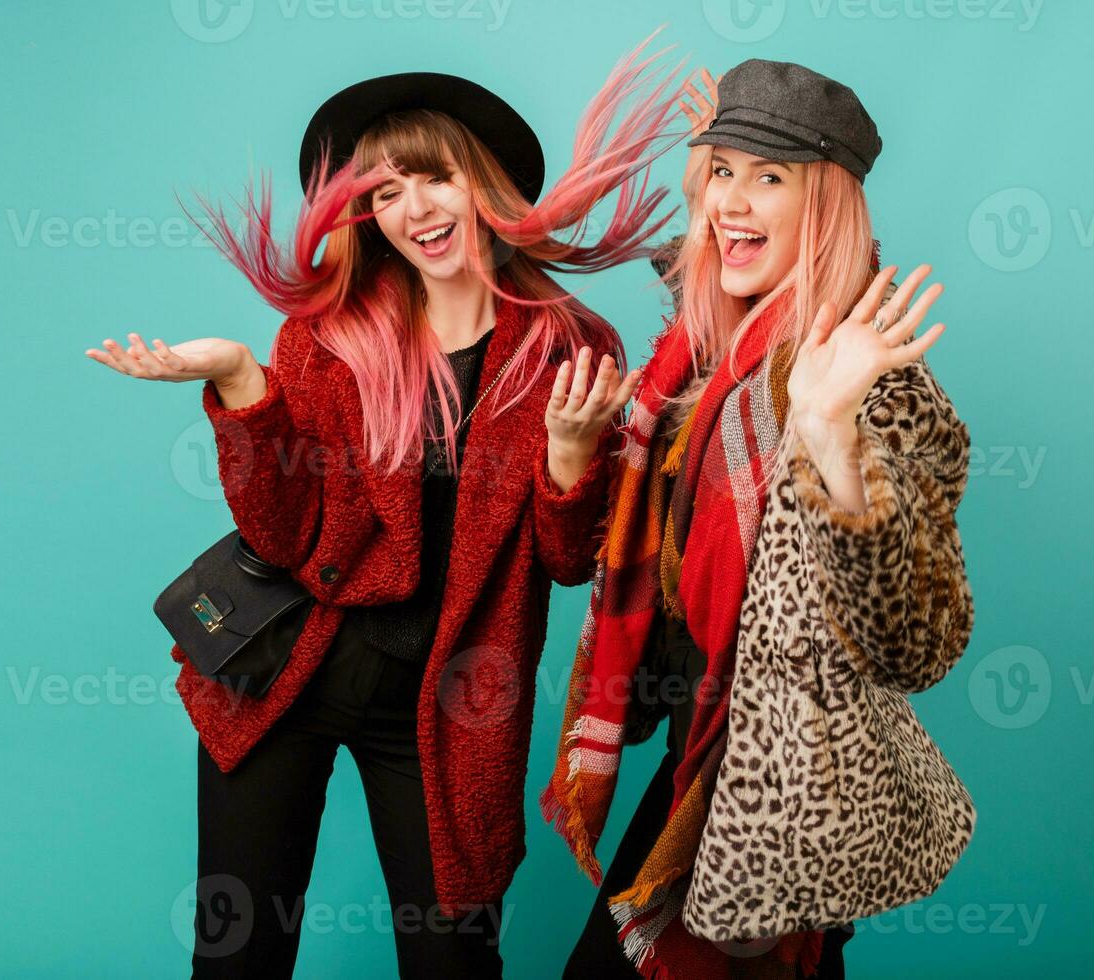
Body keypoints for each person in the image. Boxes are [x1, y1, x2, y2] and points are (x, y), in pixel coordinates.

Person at [85, 36, 688, 979]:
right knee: (237, 953)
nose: (412, 211)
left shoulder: (571, 342)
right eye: (383, 193)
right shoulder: (329, 332)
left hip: (446, 706)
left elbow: (568, 564)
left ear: (481, 183)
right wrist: (244, 385)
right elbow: (281, 536)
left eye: (432, 178)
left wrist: (571, 458)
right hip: (291, 675)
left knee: (453, 959)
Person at [543, 59, 978, 979]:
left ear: (825, 206)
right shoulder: (707, 351)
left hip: (779, 773)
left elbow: (917, 641)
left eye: (770, 177)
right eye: (723, 172)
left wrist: (826, 432)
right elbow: (701, 263)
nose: (732, 203)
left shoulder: (870, 371)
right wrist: (720, 173)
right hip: (708, 743)